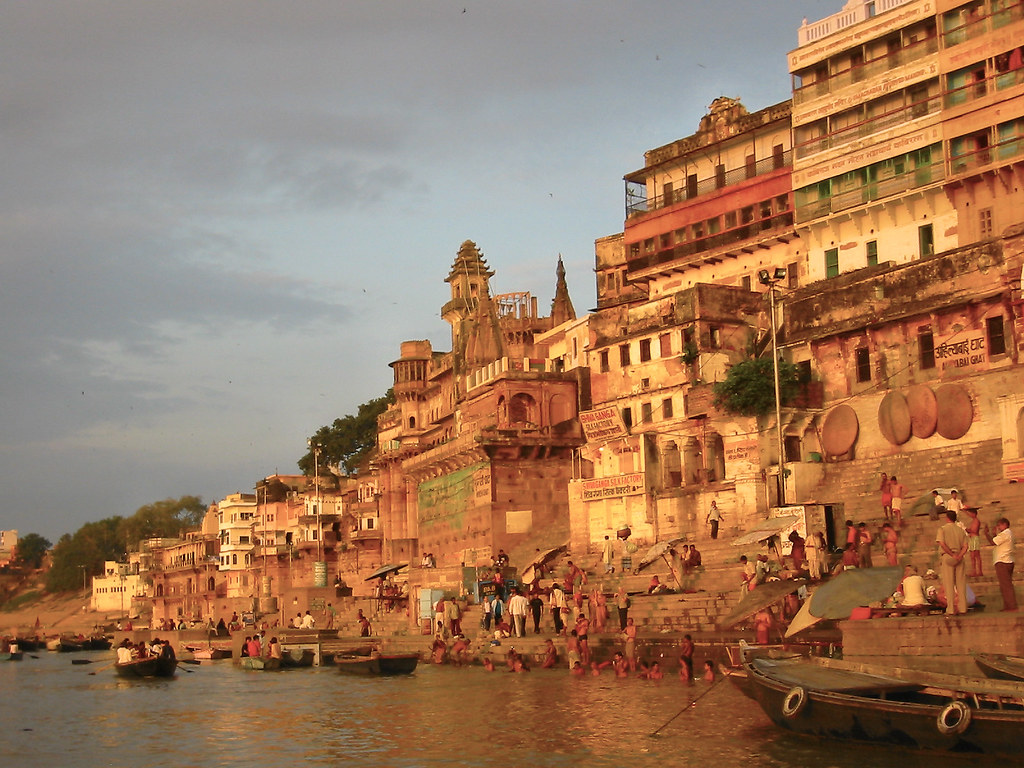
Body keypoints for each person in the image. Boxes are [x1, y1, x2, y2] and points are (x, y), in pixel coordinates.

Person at [936, 509, 969, 615]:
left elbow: (942, 543)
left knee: (949, 584)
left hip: (948, 556)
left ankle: (950, 609)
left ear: (947, 518)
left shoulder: (942, 529)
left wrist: (952, 554)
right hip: (959, 557)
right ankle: (963, 608)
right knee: (961, 583)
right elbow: (965, 546)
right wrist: (959, 555)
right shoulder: (961, 530)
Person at [985, 516, 1017, 611]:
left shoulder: (1005, 534)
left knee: (1006, 585)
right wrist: (995, 534)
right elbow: (998, 541)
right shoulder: (1008, 534)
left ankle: (1012, 606)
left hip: (1003, 561)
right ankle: (1008, 605)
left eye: (999, 525)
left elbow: (992, 542)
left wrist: (986, 533)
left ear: (1005, 524)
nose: (998, 527)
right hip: (1007, 560)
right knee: (1005, 585)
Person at [964, 506, 984, 578]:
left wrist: (966, 529)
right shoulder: (973, 520)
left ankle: (979, 571)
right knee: (972, 556)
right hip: (971, 539)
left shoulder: (976, 521)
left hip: (975, 538)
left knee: (976, 555)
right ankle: (974, 571)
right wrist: (964, 511)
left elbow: (974, 531)